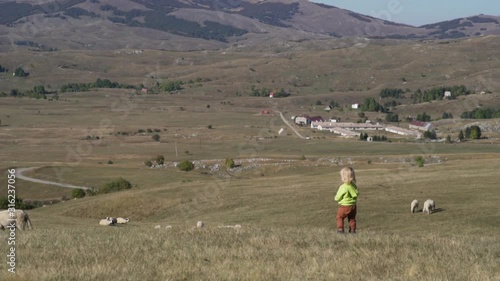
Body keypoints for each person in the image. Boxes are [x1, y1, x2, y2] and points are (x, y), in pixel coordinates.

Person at [335, 166, 359, 234]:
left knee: (339, 217)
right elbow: (356, 193)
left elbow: (339, 196)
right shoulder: (354, 185)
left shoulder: (343, 187)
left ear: (344, 178)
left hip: (344, 206)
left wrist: (336, 198)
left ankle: (340, 229)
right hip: (353, 206)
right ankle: (352, 230)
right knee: (352, 218)